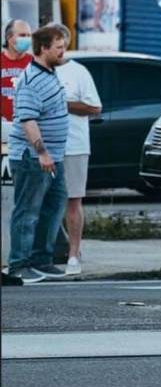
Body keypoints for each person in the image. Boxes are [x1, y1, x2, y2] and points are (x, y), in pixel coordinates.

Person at [6, 26, 70, 283]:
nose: (63, 51)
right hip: (33, 157)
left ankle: (42, 259)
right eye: (58, 47)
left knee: (54, 206)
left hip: (54, 156)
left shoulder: (51, 73)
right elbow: (27, 119)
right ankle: (19, 264)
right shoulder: (31, 79)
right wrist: (41, 152)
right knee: (28, 210)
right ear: (44, 49)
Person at [51, 23, 102, 276]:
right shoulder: (36, 70)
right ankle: (40, 254)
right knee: (42, 202)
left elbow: (95, 108)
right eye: (53, 44)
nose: (58, 50)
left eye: (61, 44)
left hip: (74, 145)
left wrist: (63, 103)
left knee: (73, 200)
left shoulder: (78, 72)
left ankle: (73, 254)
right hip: (44, 146)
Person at [1, 20, 33, 124]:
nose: (27, 39)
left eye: (29, 35)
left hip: (27, 128)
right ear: (9, 38)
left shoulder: (35, 63)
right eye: (23, 35)